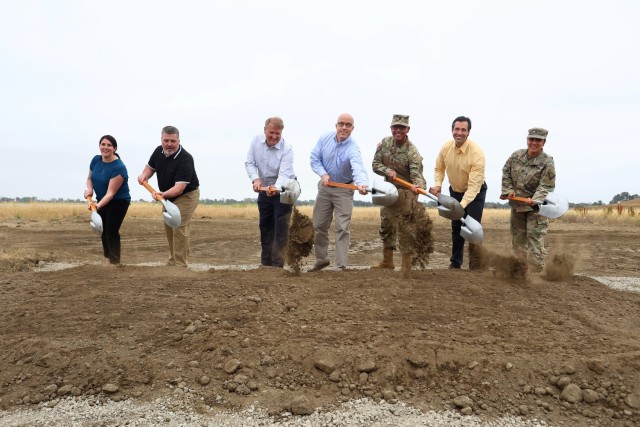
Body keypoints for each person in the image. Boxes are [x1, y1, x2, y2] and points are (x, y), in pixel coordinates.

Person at [309, 113, 369, 271]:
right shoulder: (324, 138)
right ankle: (321, 260)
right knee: (318, 225)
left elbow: (358, 167)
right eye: (341, 124)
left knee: (342, 227)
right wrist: (323, 173)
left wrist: (362, 183)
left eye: (348, 125)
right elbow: (314, 158)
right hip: (325, 188)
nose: (344, 127)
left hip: (344, 189)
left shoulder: (353, 148)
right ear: (336, 125)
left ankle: (340, 265)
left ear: (352, 128)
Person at [137, 126, 200, 267]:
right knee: (169, 226)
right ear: (161, 140)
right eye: (166, 140)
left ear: (179, 141)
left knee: (178, 225)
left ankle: (180, 265)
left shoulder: (185, 158)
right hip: (166, 196)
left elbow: (179, 188)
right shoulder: (158, 151)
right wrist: (144, 175)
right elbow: (150, 168)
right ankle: (173, 260)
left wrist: (162, 194)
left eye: (173, 141)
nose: (169, 144)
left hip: (186, 195)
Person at [429, 116, 486, 270]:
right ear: (452, 130)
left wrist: (460, 207)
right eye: (457, 129)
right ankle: (456, 262)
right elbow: (439, 168)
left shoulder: (477, 153)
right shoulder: (446, 148)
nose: (459, 133)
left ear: (468, 133)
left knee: (472, 226)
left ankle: (476, 264)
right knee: (456, 226)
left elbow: (474, 187)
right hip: (455, 190)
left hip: (475, 193)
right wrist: (438, 185)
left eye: (463, 130)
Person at [371, 114, 425, 273]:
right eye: (395, 127)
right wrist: (387, 170)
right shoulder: (385, 144)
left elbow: (417, 175)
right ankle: (387, 262)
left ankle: (406, 264)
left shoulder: (412, 152)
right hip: (389, 191)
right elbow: (375, 164)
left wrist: (417, 186)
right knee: (387, 224)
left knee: (406, 227)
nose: (398, 130)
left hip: (408, 192)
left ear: (407, 129)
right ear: (391, 128)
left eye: (402, 127)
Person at [500, 127, 556, 272]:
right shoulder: (516, 156)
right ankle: (519, 271)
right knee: (517, 240)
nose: (534, 143)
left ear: (544, 142)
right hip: (517, 206)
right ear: (527, 140)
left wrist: (535, 199)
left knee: (534, 240)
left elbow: (546, 186)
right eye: (531, 139)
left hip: (536, 209)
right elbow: (506, 173)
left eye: (538, 140)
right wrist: (508, 190)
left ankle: (536, 273)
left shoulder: (547, 162)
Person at [245, 117, 296, 268]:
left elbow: (284, 174)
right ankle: (265, 263)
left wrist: (275, 188)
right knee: (265, 225)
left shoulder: (287, 149)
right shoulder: (256, 142)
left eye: (277, 134)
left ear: (282, 133)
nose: (274, 137)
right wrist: (255, 179)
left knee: (281, 226)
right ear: (264, 130)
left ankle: (277, 265)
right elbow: (250, 162)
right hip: (264, 187)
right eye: (271, 133)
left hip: (285, 187)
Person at [84, 135, 131, 266]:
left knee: (111, 231)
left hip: (119, 202)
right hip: (101, 200)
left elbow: (110, 194)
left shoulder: (119, 167)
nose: (105, 147)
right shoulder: (95, 160)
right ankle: (107, 260)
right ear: (99, 146)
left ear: (114, 148)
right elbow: (89, 179)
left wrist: (97, 206)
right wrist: (90, 190)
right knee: (102, 230)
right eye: (103, 144)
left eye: (109, 145)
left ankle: (115, 262)